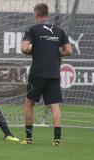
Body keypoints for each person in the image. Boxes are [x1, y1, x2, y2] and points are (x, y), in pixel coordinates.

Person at [20, 3, 73, 146]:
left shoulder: (32, 29)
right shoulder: (59, 30)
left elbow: (24, 48)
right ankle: (57, 140)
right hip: (54, 72)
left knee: (29, 103)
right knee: (54, 104)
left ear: (36, 15)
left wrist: (33, 50)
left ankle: (29, 138)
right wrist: (56, 52)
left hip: (37, 72)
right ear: (47, 14)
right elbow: (69, 51)